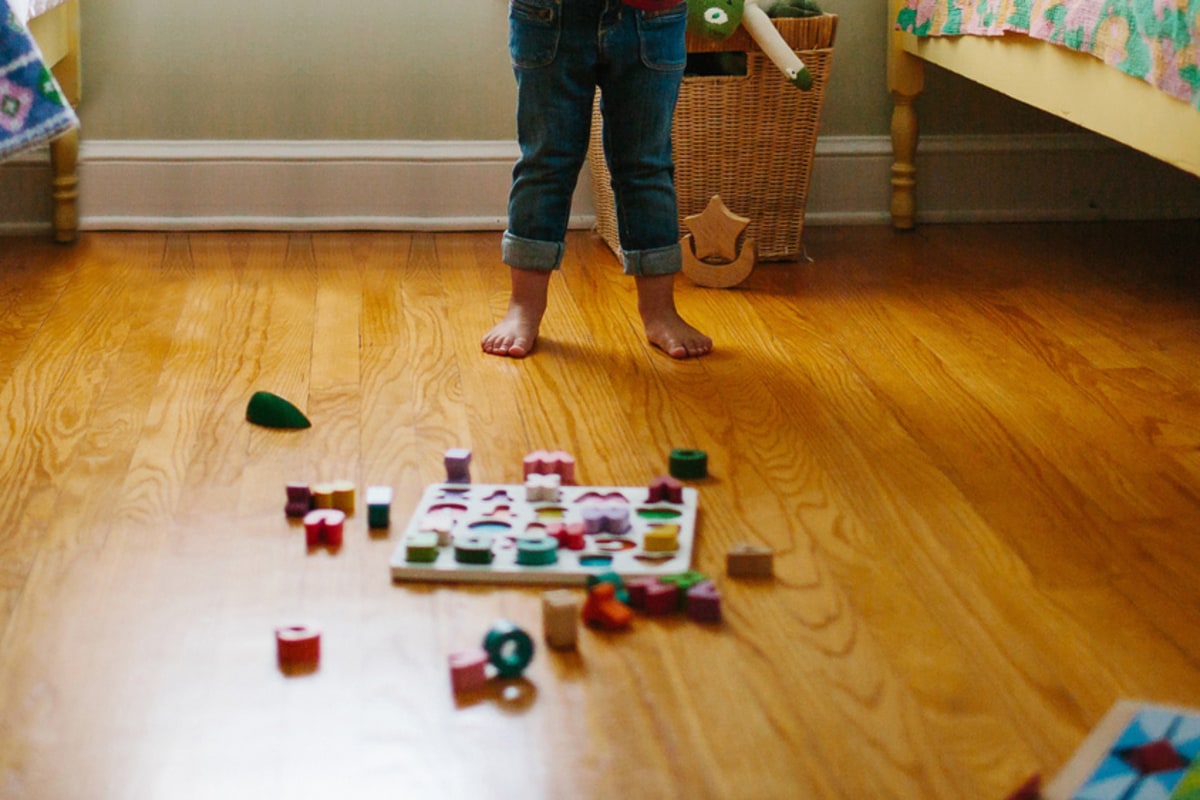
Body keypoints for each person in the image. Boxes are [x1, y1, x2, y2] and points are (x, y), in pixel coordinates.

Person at [482, 0, 713, 359]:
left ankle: (659, 311)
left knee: (645, 164)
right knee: (546, 161)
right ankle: (524, 306)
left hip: (652, 15)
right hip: (549, 13)